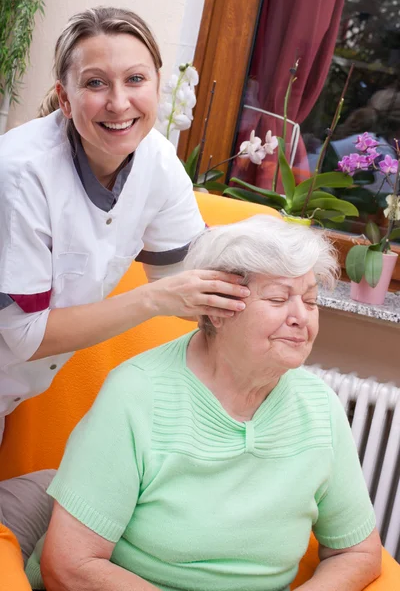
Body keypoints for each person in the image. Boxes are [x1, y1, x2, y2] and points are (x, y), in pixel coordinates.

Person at [25, 216, 381, 591]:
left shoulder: (319, 407)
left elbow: (358, 553)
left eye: (311, 301)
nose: (300, 318)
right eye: (278, 299)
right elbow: (70, 565)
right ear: (216, 308)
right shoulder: (138, 393)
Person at [0, 6, 250, 444]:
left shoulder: (157, 162)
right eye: (96, 83)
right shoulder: (20, 173)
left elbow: (188, 284)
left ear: (156, 83)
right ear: (65, 97)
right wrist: (153, 299)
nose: (119, 102)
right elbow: (21, 335)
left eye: (135, 79)